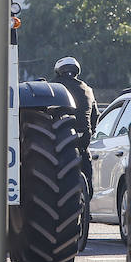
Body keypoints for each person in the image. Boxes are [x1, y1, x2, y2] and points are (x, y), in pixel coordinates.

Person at [54, 56, 98, 252]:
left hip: (63, 138)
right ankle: (86, 202)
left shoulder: (56, 88)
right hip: (84, 137)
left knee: (58, 170)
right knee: (86, 168)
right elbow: (95, 116)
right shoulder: (87, 89)